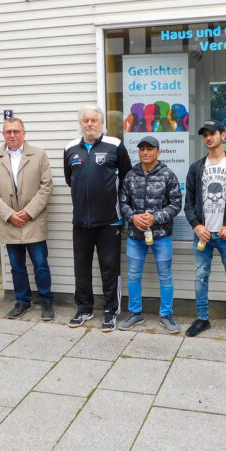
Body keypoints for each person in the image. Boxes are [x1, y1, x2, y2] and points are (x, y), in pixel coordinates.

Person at [64, 105, 132, 331]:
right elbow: (70, 179)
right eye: (85, 120)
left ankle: (111, 311)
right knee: (81, 268)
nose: (89, 124)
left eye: (94, 120)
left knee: (110, 268)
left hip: (109, 221)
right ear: (81, 124)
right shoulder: (70, 148)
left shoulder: (115, 146)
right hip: (80, 222)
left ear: (101, 123)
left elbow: (126, 178)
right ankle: (84, 308)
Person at [184, 119, 226, 340]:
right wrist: (196, 225)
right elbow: (188, 203)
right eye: (204, 135)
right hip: (203, 234)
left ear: (223, 135)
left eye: (212, 133)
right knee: (200, 276)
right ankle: (202, 319)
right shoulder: (196, 168)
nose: (208, 138)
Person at [0, 117, 55, 320]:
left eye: (16, 131)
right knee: (17, 266)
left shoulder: (39, 155)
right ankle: (22, 301)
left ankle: (46, 301)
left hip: (34, 220)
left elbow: (46, 186)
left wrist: (28, 212)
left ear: (24, 133)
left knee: (41, 264)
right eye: (8, 132)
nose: (12, 135)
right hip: (9, 222)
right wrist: (9, 214)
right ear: (4, 134)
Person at [118, 136, 182, 333]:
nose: (145, 152)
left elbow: (176, 204)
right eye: (142, 149)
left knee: (165, 276)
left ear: (158, 152)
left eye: (150, 149)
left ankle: (166, 315)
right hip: (136, 237)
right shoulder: (130, 176)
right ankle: (135, 313)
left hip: (161, 236)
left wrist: (156, 218)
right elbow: (122, 203)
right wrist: (133, 218)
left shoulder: (167, 175)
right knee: (134, 275)